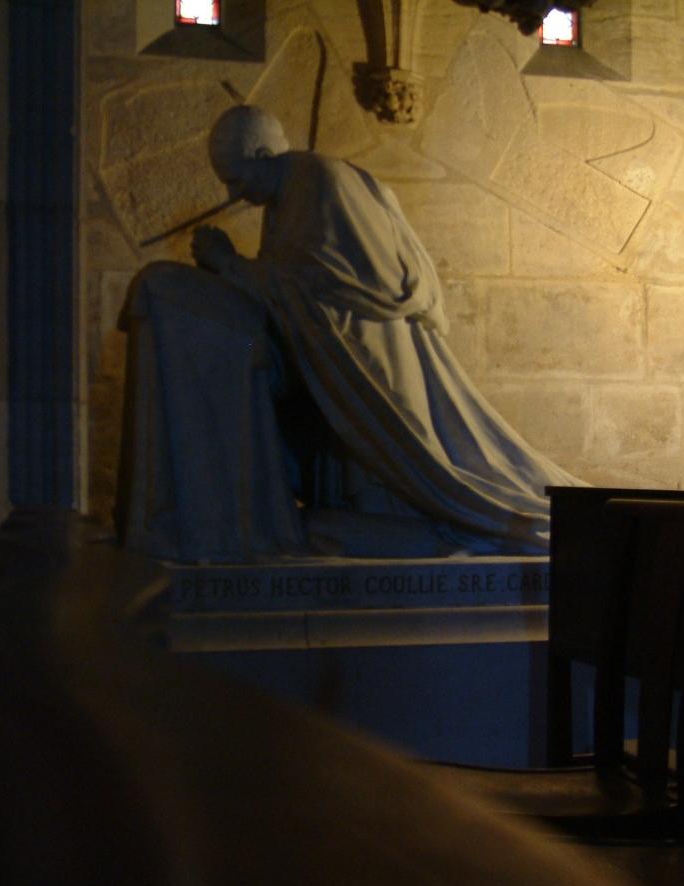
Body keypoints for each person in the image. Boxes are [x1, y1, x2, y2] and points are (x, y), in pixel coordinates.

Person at [116, 105, 582, 563]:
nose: (234, 194)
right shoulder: (289, 194)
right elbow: (300, 291)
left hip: (371, 373)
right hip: (340, 378)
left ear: (263, 154)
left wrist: (231, 264)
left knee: (403, 494)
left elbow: (330, 287)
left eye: (237, 179)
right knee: (337, 515)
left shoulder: (319, 182)